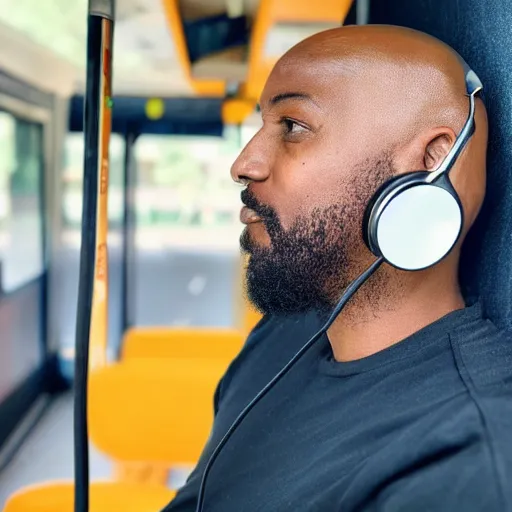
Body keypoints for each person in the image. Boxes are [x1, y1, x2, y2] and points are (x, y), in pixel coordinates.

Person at [163, 25, 512, 511]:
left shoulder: (465, 462)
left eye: (293, 127)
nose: (244, 164)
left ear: (430, 163)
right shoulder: (285, 334)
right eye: (260, 127)